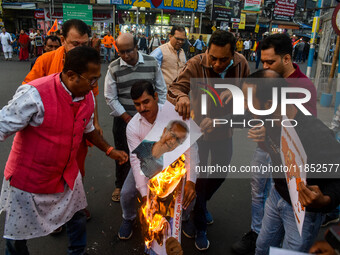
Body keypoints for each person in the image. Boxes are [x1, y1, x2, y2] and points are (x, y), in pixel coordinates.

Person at [0, 46, 128, 255]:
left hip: (66, 175)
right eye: (91, 79)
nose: (95, 85)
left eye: (97, 78)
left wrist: (110, 150)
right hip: (28, 180)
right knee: (16, 237)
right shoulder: (34, 95)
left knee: (77, 217)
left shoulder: (86, 97)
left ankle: (77, 252)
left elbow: (89, 131)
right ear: (71, 75)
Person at [232, 33, 318, 255]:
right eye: (263, 61)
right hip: (265, 147)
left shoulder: (302, 86)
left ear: (287, 59)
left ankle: (275, 243)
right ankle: (257, 233)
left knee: (281, 199)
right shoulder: (265, 79)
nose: (265, 65)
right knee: (259, 191)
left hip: (287, 156)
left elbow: (299, 131)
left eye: (271, 62)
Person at [242, 69, 340, 255]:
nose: (245, 107)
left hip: (304, 212)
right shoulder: (269, 118)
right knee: (262, 247)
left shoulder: (314, 133)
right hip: (276, 195)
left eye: (248, 101)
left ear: (269, 104)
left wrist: (326, 200)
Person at [168, 30, 250, 250]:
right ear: (207, 51)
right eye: (212, 57)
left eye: (223, 59)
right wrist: (183, 97)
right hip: (199, 133)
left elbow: (251, 90)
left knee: (220, 174)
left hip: (225, 131)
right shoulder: (195, 64)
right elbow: (174, 88)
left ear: (234, 53)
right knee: (201, 180)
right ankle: (200, 224)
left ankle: (199, 206)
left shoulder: (241, 64)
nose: (216, 63)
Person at [23, 19, 102, 221]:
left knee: (77, 172)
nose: (80, 48)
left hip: (77, 133)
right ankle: (53, 216)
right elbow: (25, 95)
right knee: (52, 176)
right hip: (49, 135)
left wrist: (96, 123)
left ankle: (75, 207)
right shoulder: (46, 61)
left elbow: (92, 96)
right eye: (75, 44)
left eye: (84, 44)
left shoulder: (89, 64)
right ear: (62, 40)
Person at [118, 80, 198, 240]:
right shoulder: (133, 127)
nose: (142, 108)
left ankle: (184, 217)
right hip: (146, 164)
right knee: (126, 193)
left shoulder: (175, 116)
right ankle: (128, 217)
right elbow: (136, 161)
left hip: (175, 163)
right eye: (137, 104)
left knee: (190, 193)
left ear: (155, 96)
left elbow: (191, 150)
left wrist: (191, 181)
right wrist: (145, 196)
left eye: (146, 101)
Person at [104, 33, 167, 203]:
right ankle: (121, 185)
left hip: (152, 119)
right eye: (122, 52)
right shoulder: (114, 67)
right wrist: (126, 117)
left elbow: (161, 90)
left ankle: (152, 184)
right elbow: (110, 97)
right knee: (124, 154)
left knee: (153, 152)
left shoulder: (152, 62)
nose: (126, 55)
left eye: (129, 51)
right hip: (124, 119)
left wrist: (158, 114)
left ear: (137, 47)